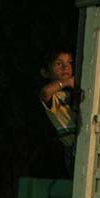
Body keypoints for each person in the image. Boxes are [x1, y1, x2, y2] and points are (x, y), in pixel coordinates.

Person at [40, 48, 77, 177]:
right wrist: (66, 82)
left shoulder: (73, 91)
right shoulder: (55, 96)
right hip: (73, 148)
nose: (66, 67)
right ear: (45, 72)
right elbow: (45, 93)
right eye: (59, 63)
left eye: (69, 62)